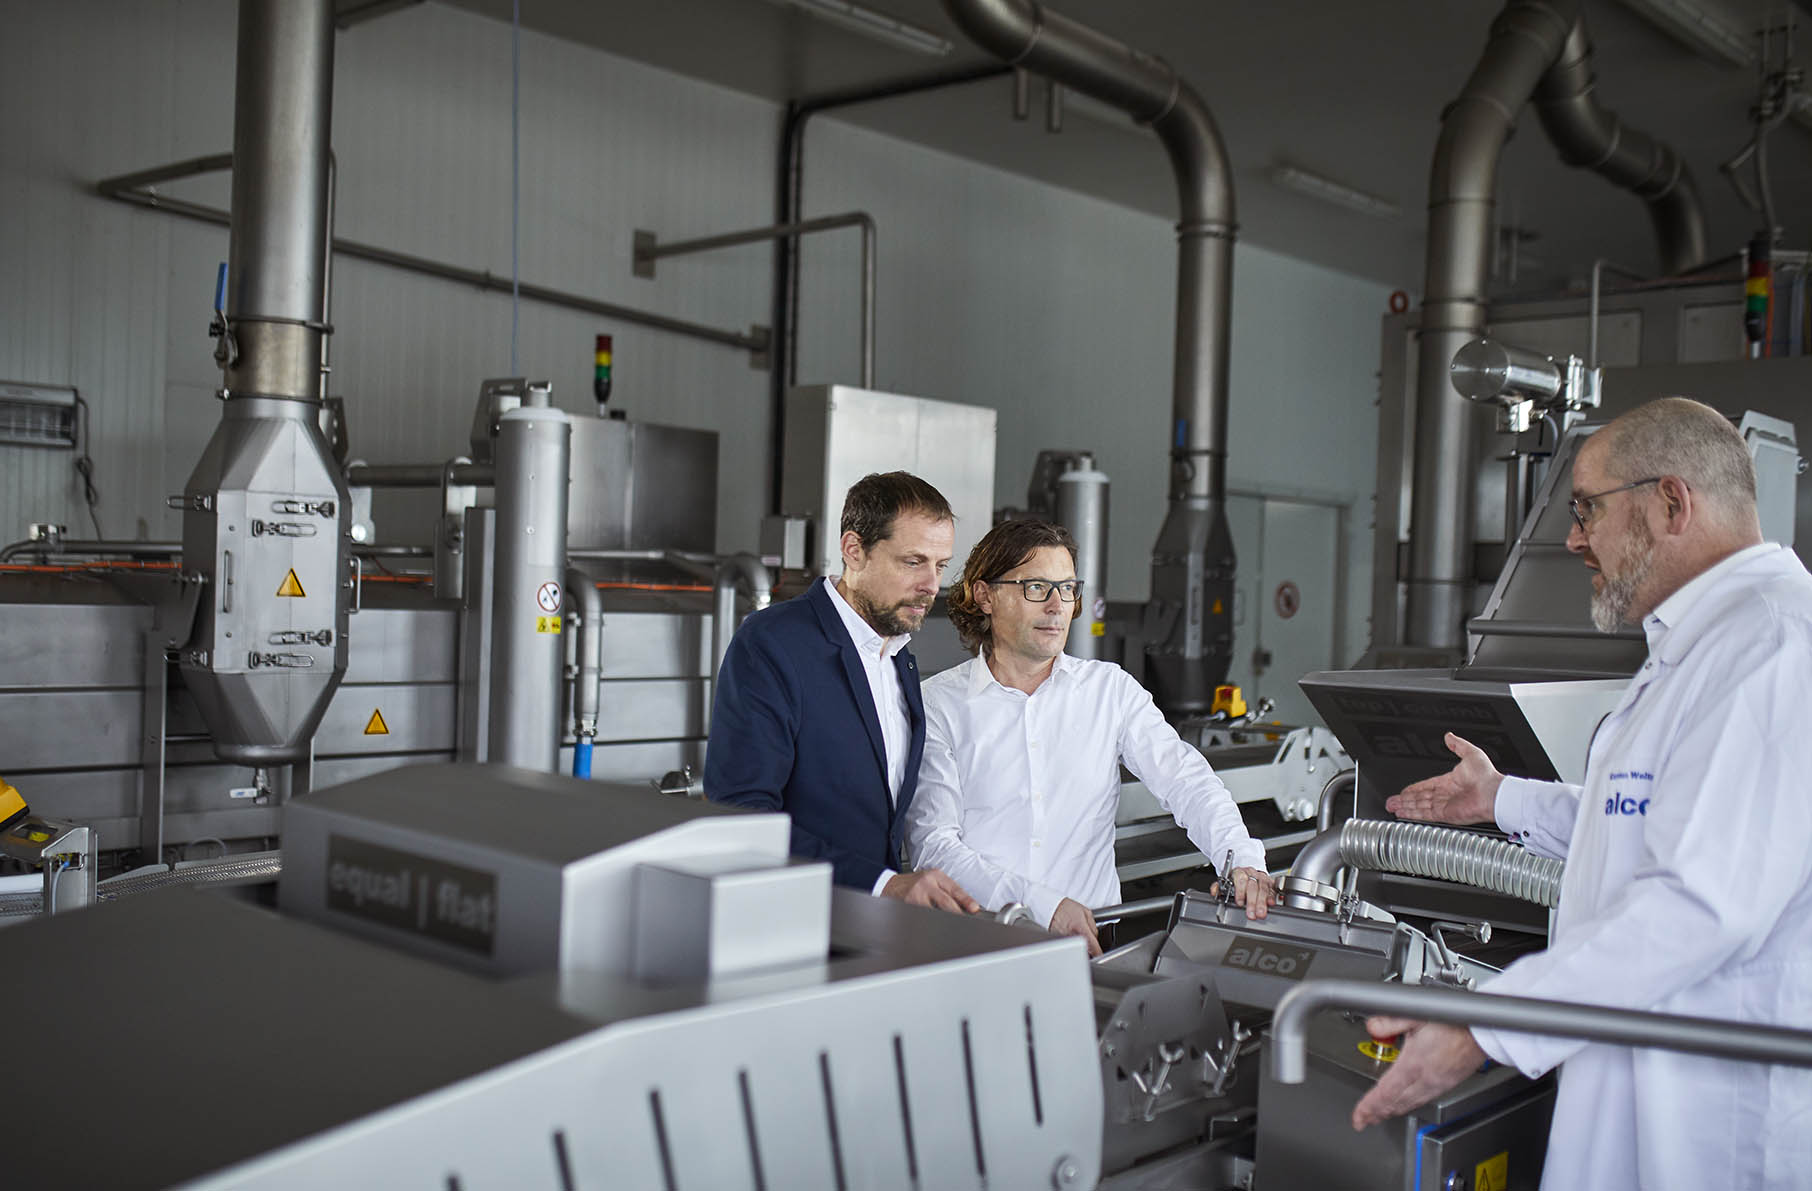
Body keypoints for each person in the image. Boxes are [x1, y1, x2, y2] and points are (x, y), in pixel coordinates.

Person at [1352, 398, 1812, 1190]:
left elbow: (1702, 902)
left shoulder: (1773, 646)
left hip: (1709, 1129)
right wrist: (1499, 800)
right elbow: (1644, 820)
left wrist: (1490, 1022)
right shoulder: (1705, 644)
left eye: (1587, 508)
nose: (1572, 539)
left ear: (1672, 502)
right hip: (1637, 1092)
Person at [906, 518, 1275, 957]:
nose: (1058, 605)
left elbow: (1185, 779)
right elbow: (935, 845)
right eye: (1037, 588)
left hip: (1091, 942)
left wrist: (1242, 860)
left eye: (1067, 588)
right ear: (985, 595)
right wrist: (1046, 907)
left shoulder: (1109, 690)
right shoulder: (937, 705)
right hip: (977, 945)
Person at [705, 471, 979, 913]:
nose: (932, 585)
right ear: (854, 550)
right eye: (913, 562)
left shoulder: (899, 657)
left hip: (871, 928)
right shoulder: (773, 643)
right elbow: (741, 812)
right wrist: (882, 885)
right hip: (787, 922)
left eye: (941, 565)